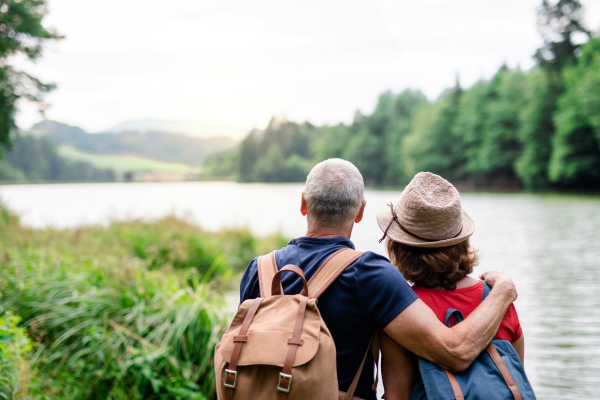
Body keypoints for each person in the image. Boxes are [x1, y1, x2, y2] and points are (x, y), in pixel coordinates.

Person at [239, 159, 517, 400]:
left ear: (303, 204)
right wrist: (502, 291)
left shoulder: (259, 269)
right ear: (360, 212)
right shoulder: (369, 273)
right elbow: (454, 351)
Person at [376, 171, 524, 399]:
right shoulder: (497, 299)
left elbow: (397, 396)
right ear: (461, 241)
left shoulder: (402, 310)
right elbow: (515, 380)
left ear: (400, 247)